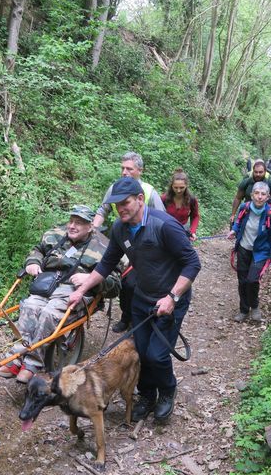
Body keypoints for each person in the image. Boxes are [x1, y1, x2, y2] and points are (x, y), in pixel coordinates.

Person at [70, 177, 201, 423]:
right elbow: (107, 263)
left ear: (140, 199)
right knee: (141, 350)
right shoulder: (120, 228)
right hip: (142, 299)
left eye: (125, 202)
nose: (121, 209)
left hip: (171, 299)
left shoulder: (165, 226)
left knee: (157, 355)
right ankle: (147, 395)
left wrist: (172, 297)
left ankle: (167, 391)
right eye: (116, 205)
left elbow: (193, 263)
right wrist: (82, 289)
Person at [0, 205, 121, 383]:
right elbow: (37, 250)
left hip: (74, 291)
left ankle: (32, 364)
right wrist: (33, 262)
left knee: (49, 314)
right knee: (30, 307)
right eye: (71, 221)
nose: (72, 226)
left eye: (79, 223)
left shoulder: (103, 247)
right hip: (47, 285)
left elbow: (115, 285)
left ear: (91, 226)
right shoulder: (55, 234)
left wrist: (89, 279)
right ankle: (14, 359)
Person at [93, 151, 165, 334]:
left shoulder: (149, 192)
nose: (124, 172)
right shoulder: (114, 188)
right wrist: (92, 230)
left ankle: (139, 317)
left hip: (145, 243)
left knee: (134, 282)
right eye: (122, 168)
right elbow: (103, 210)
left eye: (129, 169)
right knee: (122, 281)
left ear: (139, 171)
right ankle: (126, 316)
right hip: (122, 240)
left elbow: (163, 218)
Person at [227, 181, 271, 323]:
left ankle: (255, 306)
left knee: (252, 280)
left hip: (261, 252)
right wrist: (234, 230)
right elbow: (238, 222)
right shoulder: (245, 208)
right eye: (256, 193)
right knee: (242, 281)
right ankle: (244, 310)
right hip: (244, 248)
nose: (259, 197)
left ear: (268, 197)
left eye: (263, 194)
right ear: (251, 195)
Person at [230, 159, 271, 224]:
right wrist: (233, 214)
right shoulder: (246, 182)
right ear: (253, 171)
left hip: (265, 212)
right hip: (247, 210)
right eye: (256, 172)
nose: (258, 174)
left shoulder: (270, 183)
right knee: (235, 225)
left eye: (260, 172)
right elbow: (238, 198)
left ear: (265, 172)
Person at [161, 168, 200, 241]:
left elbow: (195, 216)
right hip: (167, 231)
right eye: (175, 187)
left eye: (182, 188)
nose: (178, 190)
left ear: (186, 186)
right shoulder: (164, 199)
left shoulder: (191, 199)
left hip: (184, 232)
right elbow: (158, 215)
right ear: (171, 186)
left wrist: (193, 231)